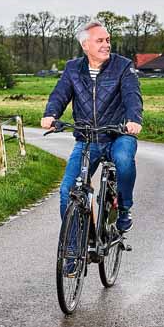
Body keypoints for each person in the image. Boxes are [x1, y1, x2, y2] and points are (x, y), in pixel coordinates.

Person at [41, 20, 143, 232]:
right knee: (67, 191)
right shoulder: (73, 69)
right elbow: (60, 94)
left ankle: (124, 208)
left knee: (124, 160)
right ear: (85, 45)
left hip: (119, 134)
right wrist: (51, 115)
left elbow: (132, 96)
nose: (106, 44)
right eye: (100, 41)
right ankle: (73, 249)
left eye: (108, 40)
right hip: (87, 138)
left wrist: (134, 119)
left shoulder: (122, 66)